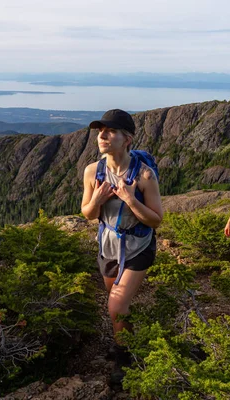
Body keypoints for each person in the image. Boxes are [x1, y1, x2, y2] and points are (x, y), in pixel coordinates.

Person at [81, 109, 163, 383]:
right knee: (118, 304)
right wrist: (98, 199)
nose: (103, 136)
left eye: (111, 131)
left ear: (127, 139)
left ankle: (123, 358)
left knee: (116, 303)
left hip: (138, 246)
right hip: (108, 246)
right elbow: (88, 213)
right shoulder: (93, 171)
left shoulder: (144, 176)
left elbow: (155, 220)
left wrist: (130, 199)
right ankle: (127, 342)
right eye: (100, 131)